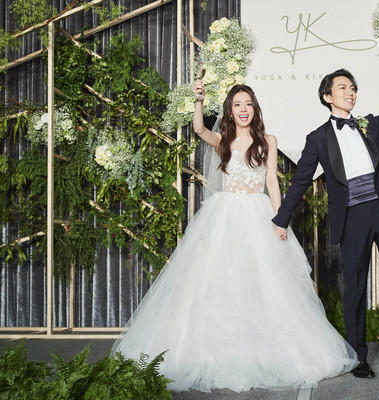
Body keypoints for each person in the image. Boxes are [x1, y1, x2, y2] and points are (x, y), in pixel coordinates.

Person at [112, 83, 358, 392]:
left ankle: (266, 349)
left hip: (258, 214)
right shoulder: (223, 140)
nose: (243, 109)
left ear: (255, 109)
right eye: (237, 104)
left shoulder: (268, 141)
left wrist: (280, 219)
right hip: (224, 217)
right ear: (230, 111)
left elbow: (272, 181)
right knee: (219, 281)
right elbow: (199, 129)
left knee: (264, 281)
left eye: (248, 104)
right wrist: (199, 101)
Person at [272, 47, 379, 380]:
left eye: (352, 88)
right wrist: (281, 219)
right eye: (343, 88)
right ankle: (358, 356)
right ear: (327, 96)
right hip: (352, 218)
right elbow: (301, 180)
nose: (350, 92)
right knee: (355, 289)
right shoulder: (317, 139)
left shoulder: (371, 125)